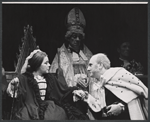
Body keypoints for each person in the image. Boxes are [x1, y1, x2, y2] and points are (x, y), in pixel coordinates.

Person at [5, 49, 89, 120]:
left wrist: (75, 92)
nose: (49, 65)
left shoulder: (50, 78)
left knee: (58, 115)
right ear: (38, 65)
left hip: (48, 106)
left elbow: (63, 91)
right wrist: (13, 86)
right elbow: (17, 89)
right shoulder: (26, 78)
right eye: (46, 63)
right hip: (31, 107)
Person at [84, 53, 148, 120]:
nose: (88, 69)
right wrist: (86, 97)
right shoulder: (97, 84)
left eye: (90, 65)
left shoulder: (119, 74)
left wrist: (121, 106)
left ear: (100, 65)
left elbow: (138, 93)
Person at [50, 7, 93, 89]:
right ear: (69, 37)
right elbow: (55, 79)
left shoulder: (88, 54)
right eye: (74, 36)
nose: (77, 39)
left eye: (79, 36)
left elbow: (95, 76)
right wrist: (74, 81)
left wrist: (88, 80)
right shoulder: (60, 55)